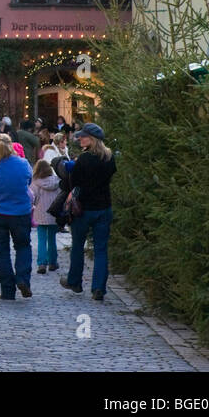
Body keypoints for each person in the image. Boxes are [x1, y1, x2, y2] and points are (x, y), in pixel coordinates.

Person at [62, 123, 116, 301]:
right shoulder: (109, 158)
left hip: (83, 209)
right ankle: (98, 287)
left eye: (83, 136)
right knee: (101, 249)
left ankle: (75, 281)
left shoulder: (84, 159)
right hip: (103, 207)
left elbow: (73, 181)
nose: (79, 138)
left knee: (78, 246)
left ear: (92, 139)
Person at [0, 135, 33, 300]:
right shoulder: (23, 164)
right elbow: (29, 181)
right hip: (20, 212)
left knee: (1, 252)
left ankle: (7, 290)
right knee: (23, 246)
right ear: (12, 146)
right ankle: (23, 278)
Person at [29, 158, 61, 274]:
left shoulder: (35, 182)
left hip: (41, 214)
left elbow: (32, 198)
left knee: (41, 239)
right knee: (52, 238)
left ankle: (42, 263)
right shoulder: (57, 181)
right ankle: (53, 262)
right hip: (53, 214)